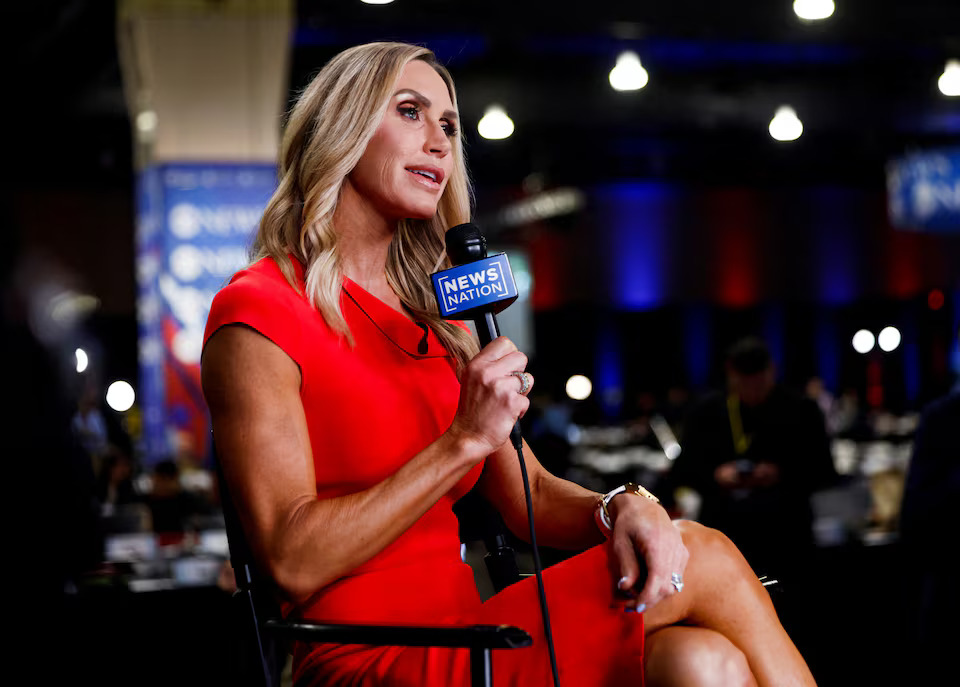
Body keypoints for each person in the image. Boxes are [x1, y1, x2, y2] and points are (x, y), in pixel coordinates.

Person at [201, 42, 816, 687]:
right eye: (410, 112)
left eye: (448, 125)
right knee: (709, 557)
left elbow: (534, 498)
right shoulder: (260, 310)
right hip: (363, 656)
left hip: (475, 632)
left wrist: (620, 505)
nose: (439, 142)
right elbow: (290, 558)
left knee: (702, 662)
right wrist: (463, 439)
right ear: (342, 128)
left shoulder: (433, 318)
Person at [666, 338, 838, 578]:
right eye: (744, 382)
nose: (752, 390)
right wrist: (716, 475)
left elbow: (825, 470)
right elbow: (682, 471)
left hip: (787, 532)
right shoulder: (706, 411)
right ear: (730, 375)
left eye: (759, 382)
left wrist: (780, 473)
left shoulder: (802, 409)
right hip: (724, 530)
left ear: (772, 372)